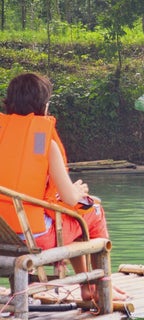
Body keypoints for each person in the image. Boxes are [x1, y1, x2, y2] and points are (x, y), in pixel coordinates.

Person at [0, 72, 128, 301]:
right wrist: (78, 192)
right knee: (92, 210)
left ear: (8, 103)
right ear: (44, 107)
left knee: (76, 217)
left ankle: (89, 283)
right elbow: (70, 199)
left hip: (2, 235)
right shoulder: (43, 142)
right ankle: (96, 285)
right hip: (33, 237)